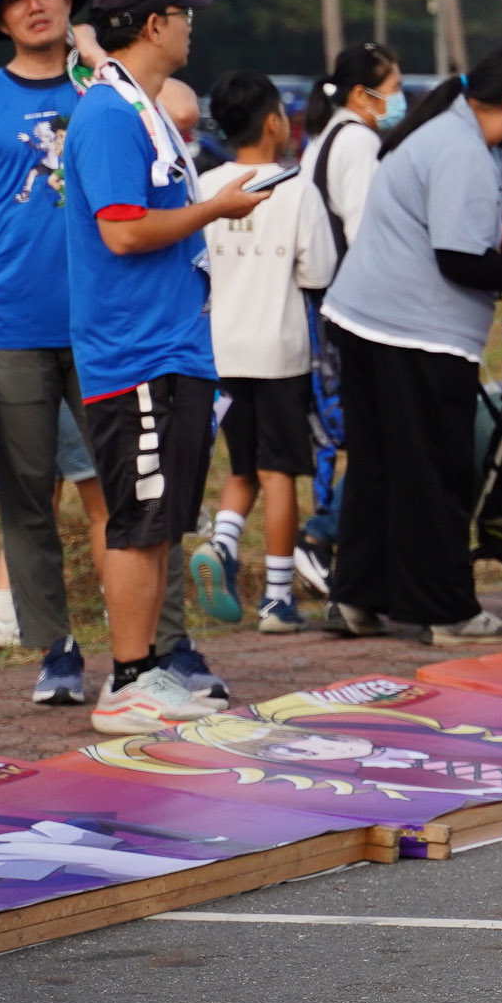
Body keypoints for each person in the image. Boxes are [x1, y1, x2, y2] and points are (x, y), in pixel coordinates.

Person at [0, 0, 212, 703]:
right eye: (15, 0)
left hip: (110, 328)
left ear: (70, 0)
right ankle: (56, 647)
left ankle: (164, 646)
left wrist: (95, 55)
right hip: (9, 325)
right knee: (29, 496)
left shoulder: (110, 85)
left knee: (135, 490)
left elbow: (183, 109)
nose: (35, 6)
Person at [61, 0, 273, 734]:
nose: (192, 27)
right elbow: (122, 231)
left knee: (160, 524)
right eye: (185, 15)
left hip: (169, 347)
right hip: (136, 352)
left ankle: (147, 669)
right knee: (138, 522)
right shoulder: (110, 115)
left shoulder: (139, 107)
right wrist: (215, 208)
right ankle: (125, 682)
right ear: (154, 25)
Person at [321, 45, 502, 645]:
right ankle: (446, 613)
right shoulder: (461, 150)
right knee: (434, 472)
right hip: (413, 333)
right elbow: (460, 259)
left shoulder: (476, 141)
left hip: (364, 318)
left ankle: (357, 597)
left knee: (380, 467)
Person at [194, 72, 332, 635]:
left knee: (242, 466)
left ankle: (223, 543)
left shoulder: (204, 185)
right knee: (279, 475)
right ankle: (277, 598)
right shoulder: (296, 188)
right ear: (274, 122)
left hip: (221, 350)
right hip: (279, 352)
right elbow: (319, 271)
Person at [291, 42, 401, 600]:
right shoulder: (358, 141)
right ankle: (323, 535)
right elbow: (365, 233)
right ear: (363, 94)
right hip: (353, 306)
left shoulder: (327, 136)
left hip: (324, 303)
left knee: (347, 430)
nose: (400, 100)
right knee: (368, 429)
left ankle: (331, 536)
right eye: (395, 88)